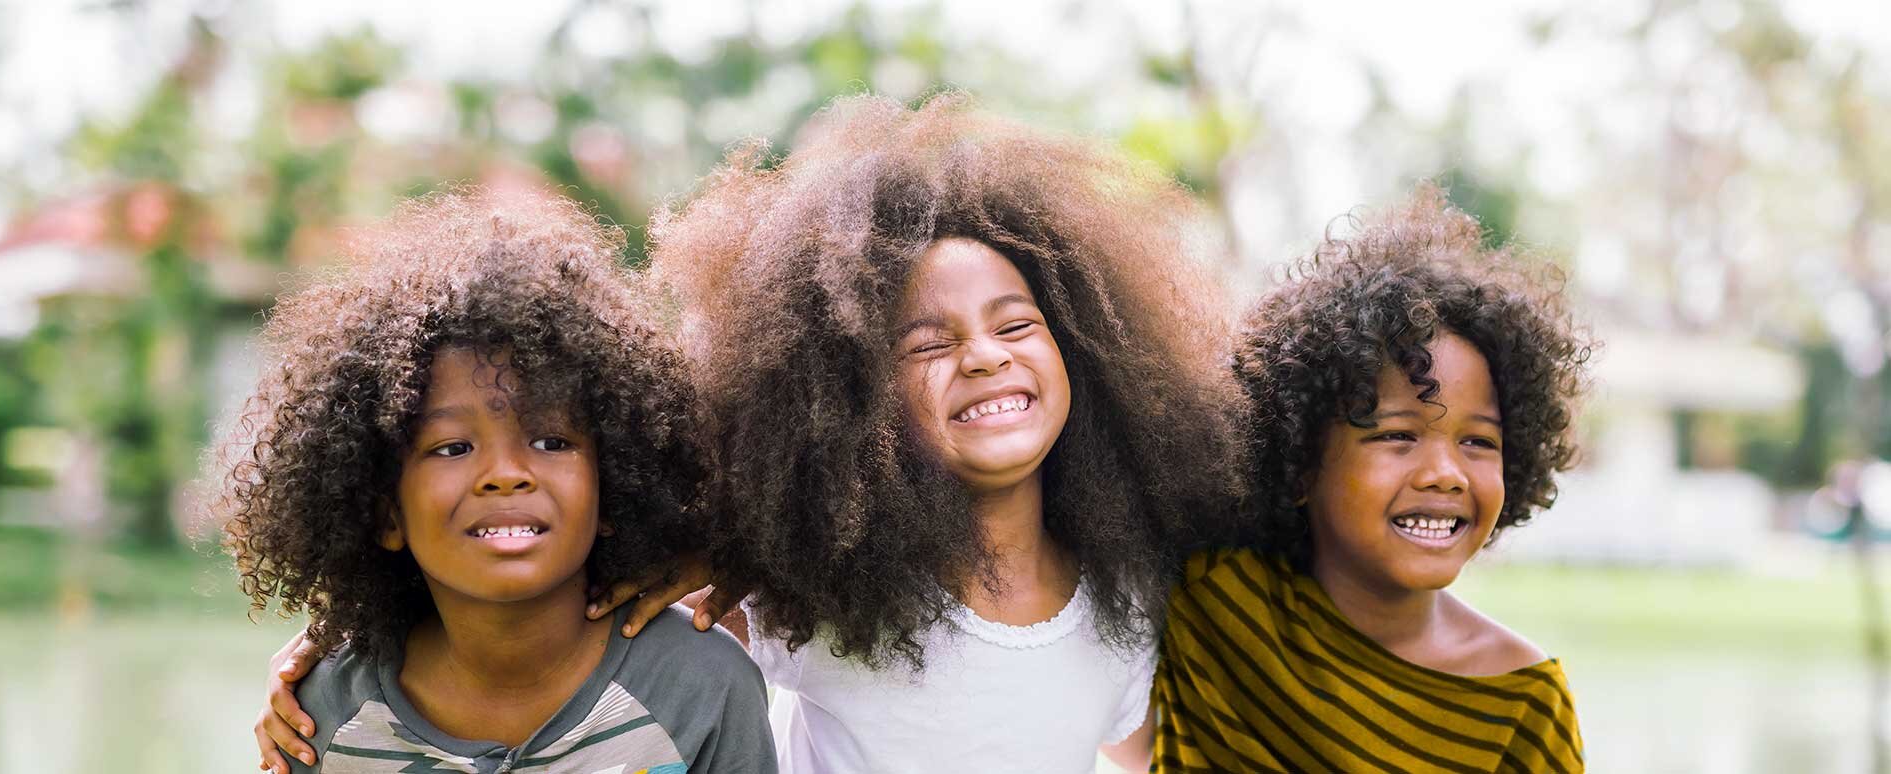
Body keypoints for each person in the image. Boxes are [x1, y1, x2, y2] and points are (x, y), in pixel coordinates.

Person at [256, 95, 1247, 773]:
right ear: (852, 396)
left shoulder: (1129, 605)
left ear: (1089, 351)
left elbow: (1151, 746)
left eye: (1015, 325)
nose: (983, 357)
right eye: (927, 342)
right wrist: (345, 636)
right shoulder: (813, 594)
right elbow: (538, 615)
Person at [217, 190, 775, 773]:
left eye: (551, 442)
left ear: (611, 485)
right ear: (386, 514)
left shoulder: (703, 689)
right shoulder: (323, 717)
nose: (506, 474)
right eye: (453, 447)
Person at [1153, 186, 1589, 772]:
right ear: (1302, 460)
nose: (1445, 473)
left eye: (1478, 442)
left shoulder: (1520, 700)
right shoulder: (1217, 595)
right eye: (1397, 435)